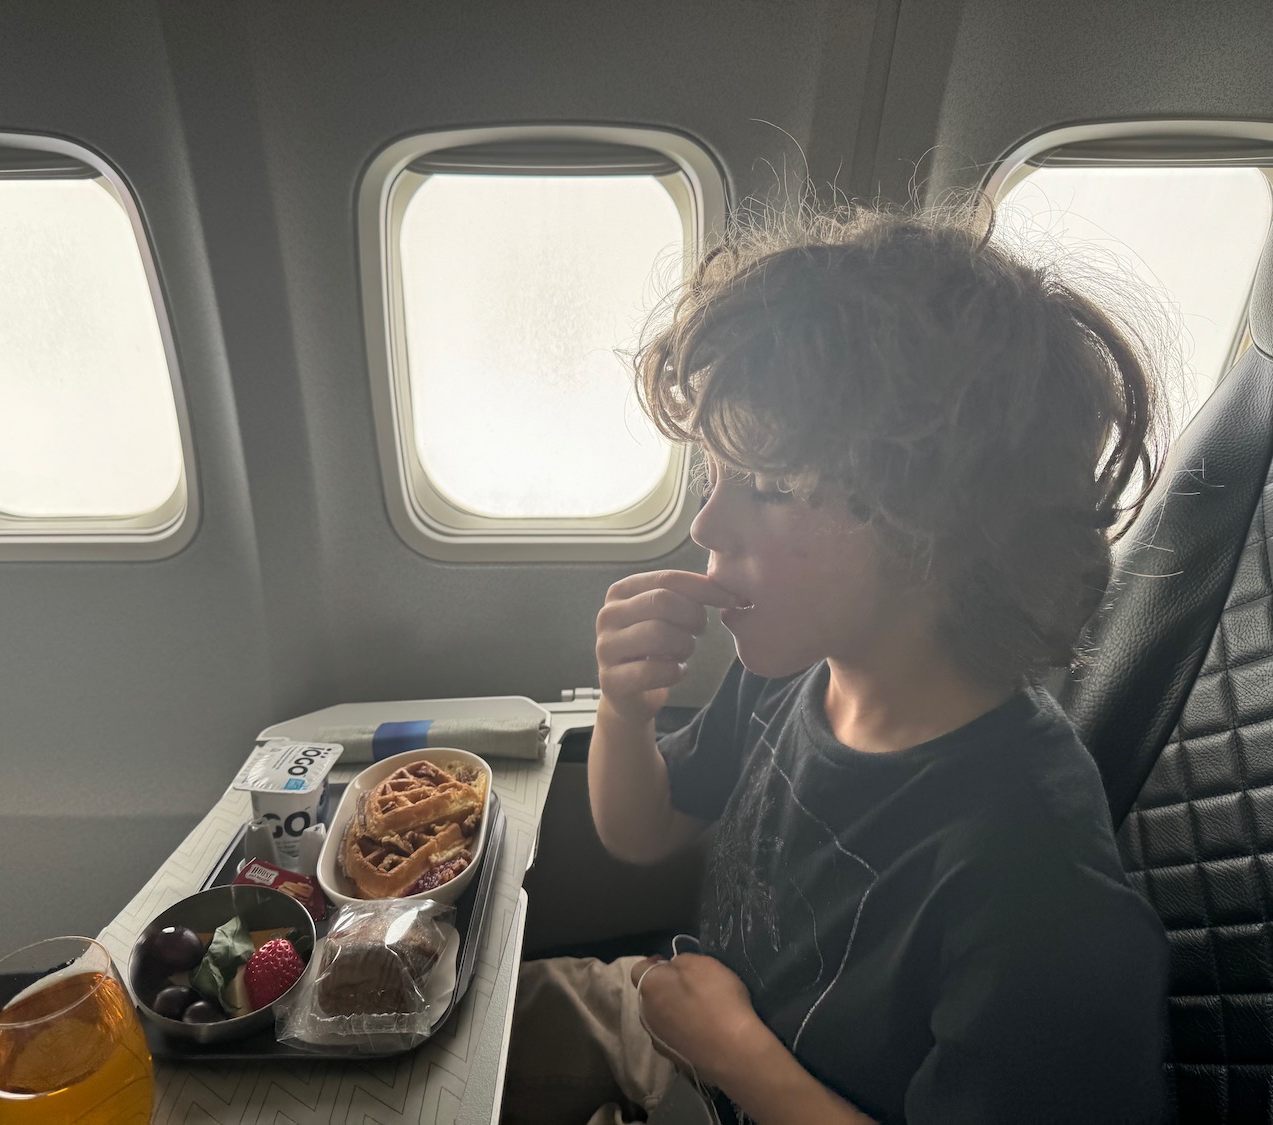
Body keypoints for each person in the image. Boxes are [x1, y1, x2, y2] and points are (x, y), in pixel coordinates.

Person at [501, 203, 1173, 1124]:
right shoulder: (793, 671)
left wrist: (736, 1056)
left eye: (771, 489)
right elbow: (642, 829)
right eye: (715, 474)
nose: (706, 526)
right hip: (682, 1028)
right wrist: (624, 706)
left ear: (937, 529)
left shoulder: (1035, 892)